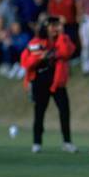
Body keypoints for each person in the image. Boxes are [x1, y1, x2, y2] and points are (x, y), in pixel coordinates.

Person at [21, 17, 78, 154]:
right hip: (40, 80)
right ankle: (37, 142)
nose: (54, 29)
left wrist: (62, 36)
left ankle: (67, 142)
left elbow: (67, 52)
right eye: (51, 26)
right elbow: (26, 62)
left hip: (57, 81)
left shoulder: (63, 39)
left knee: (64, 111)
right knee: (39, 112)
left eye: (56, 26)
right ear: (45, 27)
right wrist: (40, 57)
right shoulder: (36, 42)